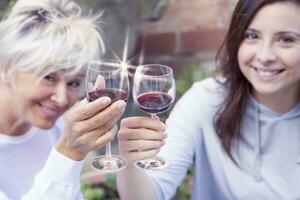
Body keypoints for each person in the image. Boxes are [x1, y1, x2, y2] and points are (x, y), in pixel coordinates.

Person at [117, 0, 300, 199]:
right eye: (252, 36)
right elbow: (152, 194)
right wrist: (130, 160)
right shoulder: (206, 100)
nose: (265, 56)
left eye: (286, 40)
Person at [0, 0, 127, 199]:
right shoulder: (64, 140)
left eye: (74, 83)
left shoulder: (57, 127)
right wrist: (68, 152)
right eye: (49, 77)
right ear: (7, 69)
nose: (61, 99)